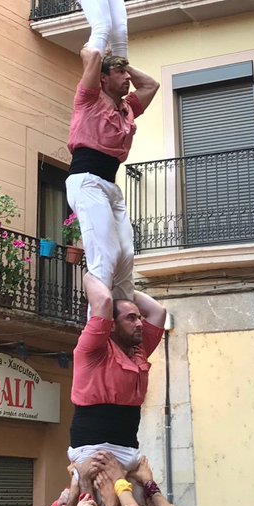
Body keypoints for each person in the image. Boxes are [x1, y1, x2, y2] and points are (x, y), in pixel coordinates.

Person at [66, 48, 157, 305]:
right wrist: (105, 53)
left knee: (126, 254)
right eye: (119, 73)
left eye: (126, 73)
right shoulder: (89, 99)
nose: (127, 78)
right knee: (105, 253)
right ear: (103, 78)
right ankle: (98, 320)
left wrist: (124, 65)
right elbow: (92, 54)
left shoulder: (127, 108)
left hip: (110, 185)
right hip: (86, 180)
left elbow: (151, 85)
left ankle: (123, 319)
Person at [68, 285, 166, 473]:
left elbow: (157, 312)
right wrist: (94, 277)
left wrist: (124, 285)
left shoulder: (138, 350)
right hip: (95, 450)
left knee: (143, 501)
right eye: (131, 318)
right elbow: (104, 301)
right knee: (105, 502)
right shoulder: (94, 349)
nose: (139, 323)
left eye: (139, 317)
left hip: (129, 448)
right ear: (111, 324)